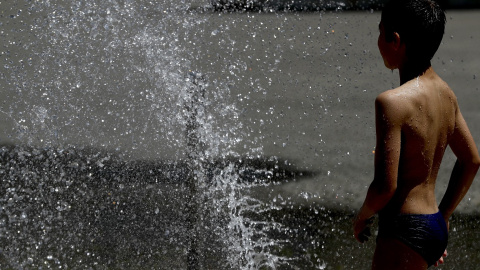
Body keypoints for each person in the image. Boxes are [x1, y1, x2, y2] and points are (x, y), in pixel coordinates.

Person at [352, 0, 480, 269]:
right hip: (432, 221)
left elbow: (385, 188)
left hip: (404, 228)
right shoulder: (447, 94)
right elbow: (472, 161)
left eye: (380, 31)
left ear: (395, 40)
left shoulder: (392, 102)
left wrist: (363, 215)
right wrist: (443, 217)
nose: (378, 40)